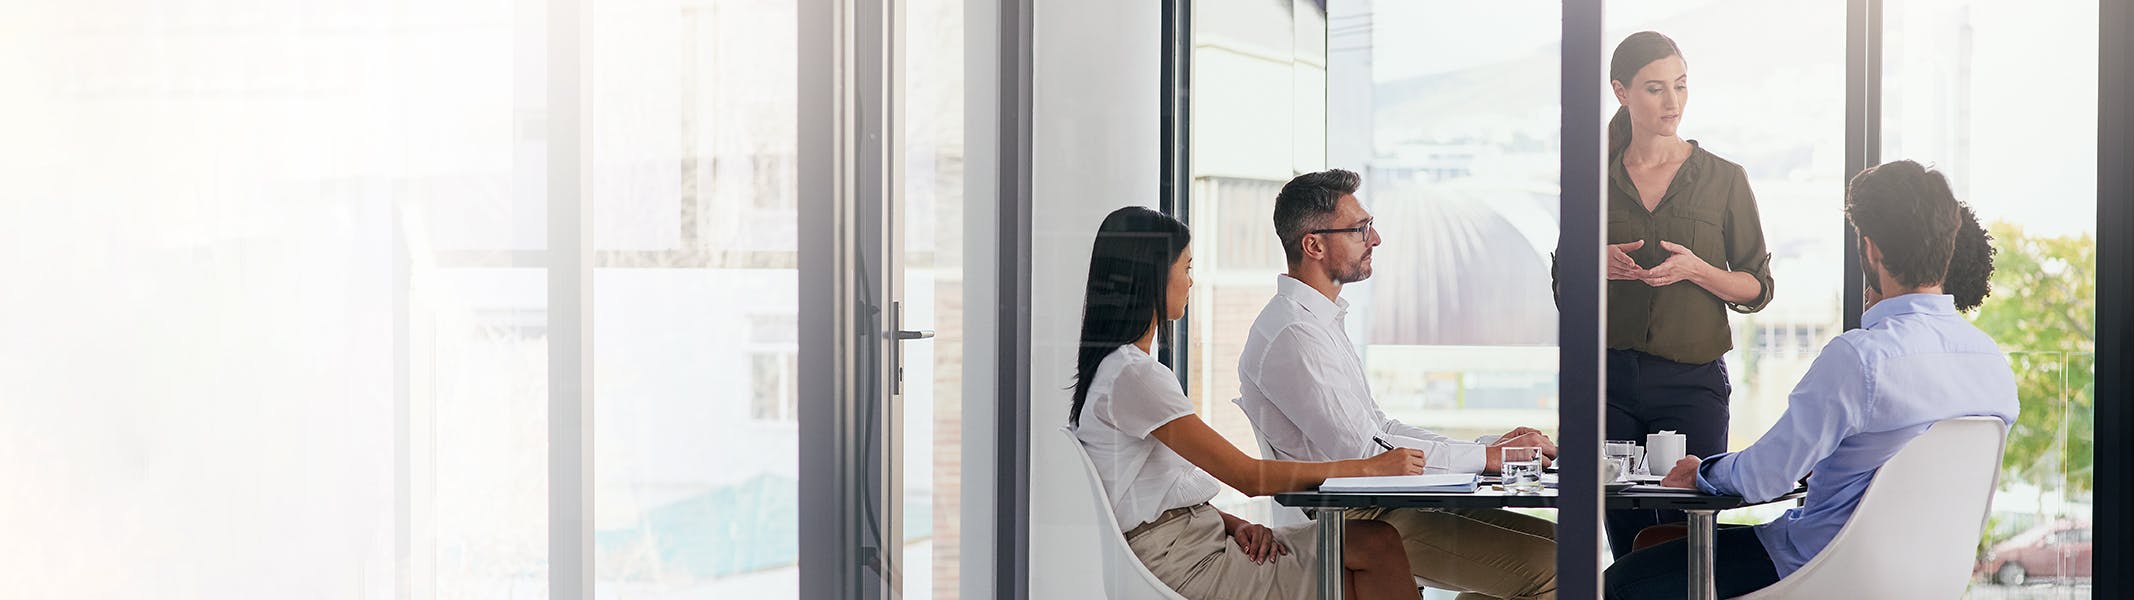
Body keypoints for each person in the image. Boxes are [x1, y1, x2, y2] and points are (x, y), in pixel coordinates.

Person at [1601, 160, 2020, 598]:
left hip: (1815, 567)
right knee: (1657, 548)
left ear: (1870, 249)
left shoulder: (1862, 358)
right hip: (1930, 578)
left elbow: (1765, 477)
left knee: (1622, 581)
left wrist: (1701, 471)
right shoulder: (1991, 363)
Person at [1070, 206, 1424, 600]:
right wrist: (1370, 468)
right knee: (1373, 554)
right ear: (1155, 276)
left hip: (1192, 540)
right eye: (1186, 268)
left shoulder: (1119, 371)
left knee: (1373, 544)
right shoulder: (1135, 376)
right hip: (1184, 562)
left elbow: (1150, 495)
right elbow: (1248, 477)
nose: (1191, 282)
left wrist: (1233, 524)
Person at [1236, 169, 1559, 600]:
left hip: (1383, 505)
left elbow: (1380, 431)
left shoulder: (1316, 323)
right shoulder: (1294, 335)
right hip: (1354, 520)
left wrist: (1491, 448)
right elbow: (1369, 456)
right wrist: (1489, 457)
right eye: (1360, 229)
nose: (1376, 239)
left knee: (1564, 551)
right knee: (1562, 570)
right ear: (1313, 244)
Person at [1550, 31, 1778, 557]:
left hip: (1691, 383)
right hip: (1605, 383)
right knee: (1629, 548)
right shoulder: (1590, 180)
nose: (1672, 102)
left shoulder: (1725, 179)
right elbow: (1567, 287)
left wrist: (1698, 270)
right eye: (1655, 88)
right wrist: (1593, 263)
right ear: (1621, 91)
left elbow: (1757, 288)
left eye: (1680, 86)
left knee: (1687, 543)